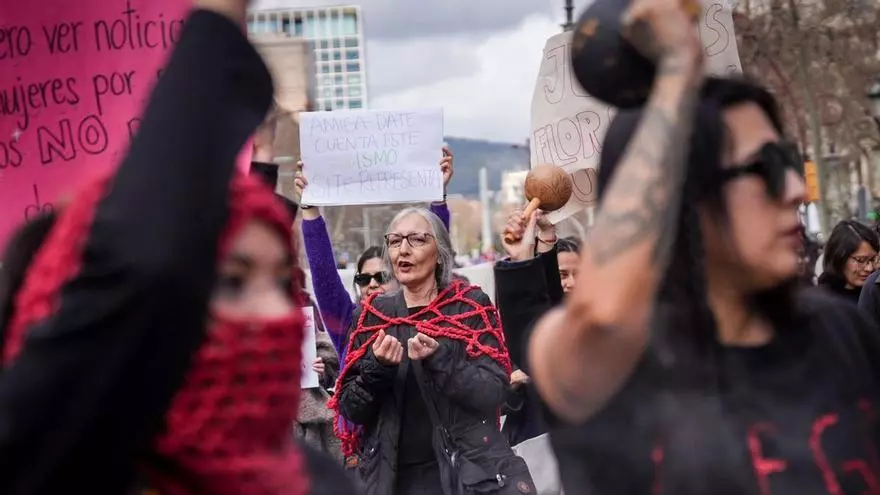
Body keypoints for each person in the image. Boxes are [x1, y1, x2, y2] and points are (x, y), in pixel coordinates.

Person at [508, 0, 880, 492]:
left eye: (788, 161)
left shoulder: (837, 330)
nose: (794, 190)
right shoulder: (615, 374)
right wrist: (678, 71)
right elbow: (597, 317)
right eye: (762, 169)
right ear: (680, 198)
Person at [0, 2, 355, 493]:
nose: (276, 311)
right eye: (231, 282)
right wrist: (214, 22)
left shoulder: (311, 480)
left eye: (280, 281)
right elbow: (146, 259)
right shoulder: (56, 459)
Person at [330, 207, 533, 495]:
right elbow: (350, 407)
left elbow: (494, 392)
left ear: (440, 253)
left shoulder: (469, 305)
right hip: (393, 478)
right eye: (395, 240)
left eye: (417, 239)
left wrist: (441, 360)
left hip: (468, 476)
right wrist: (377, 368)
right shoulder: (372, 314)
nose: (404, 249)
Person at [295, 150, 454, 362]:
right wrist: (309, 207)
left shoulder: (425, 318)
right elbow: (323, 273)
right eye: (363, 278)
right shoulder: (350, 322)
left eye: (382, 277)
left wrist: (438, 194)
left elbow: (432, 247)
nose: (371, 284)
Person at [818, 220, 878, 303]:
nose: (869, 268)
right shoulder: (821, 301)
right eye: (860, 260)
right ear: (839, 257)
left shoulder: (875, 294)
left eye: (872, 259)